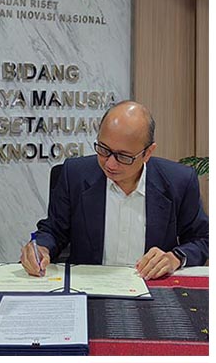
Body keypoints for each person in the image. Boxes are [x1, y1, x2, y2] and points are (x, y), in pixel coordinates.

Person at [21, 101, 208, 280]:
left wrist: (175, 258)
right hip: (88, 286)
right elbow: (54, 230)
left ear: (148, 153)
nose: (110, 164)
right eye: (103, 149)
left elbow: (203, 239)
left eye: (123, 156)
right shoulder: (74, 174)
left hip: (152, 286)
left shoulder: (179, 181)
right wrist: (41, 248)